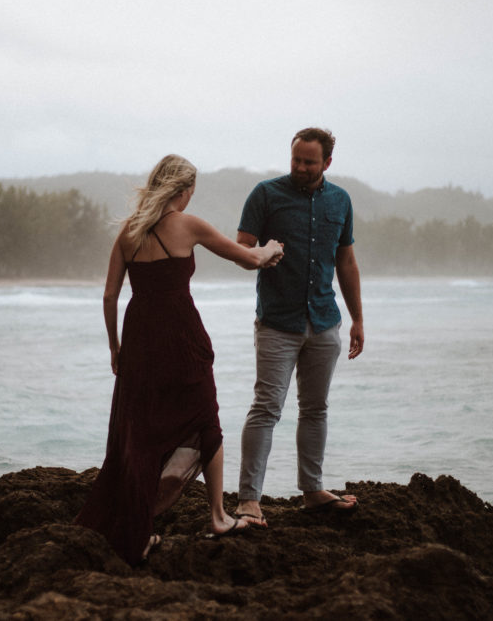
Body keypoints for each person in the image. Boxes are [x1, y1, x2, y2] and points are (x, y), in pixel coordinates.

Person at [75, 154, 284, 564]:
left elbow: (109, 296)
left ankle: (138, 532)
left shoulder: (129, 231)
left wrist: (115, 347)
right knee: (205, 417)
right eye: (191, 192)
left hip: (138, 338)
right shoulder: (189, 225)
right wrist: (272, 248)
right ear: (183, 190)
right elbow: (249, 259)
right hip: (181, 335)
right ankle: (219, 516)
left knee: (139, 432)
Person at [235, 127, 364, 526]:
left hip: (324, 322)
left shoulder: (340, 200)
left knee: (315, 409)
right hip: (277, 321)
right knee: (266, 408)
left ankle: (312, 490)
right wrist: (262, 254)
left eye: (309, 161)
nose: (301, 167)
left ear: (327, 162)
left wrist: (358, 318)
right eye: (296, 159)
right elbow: (241, 249)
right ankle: (248, 500)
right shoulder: (266, 194)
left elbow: (346, 262)